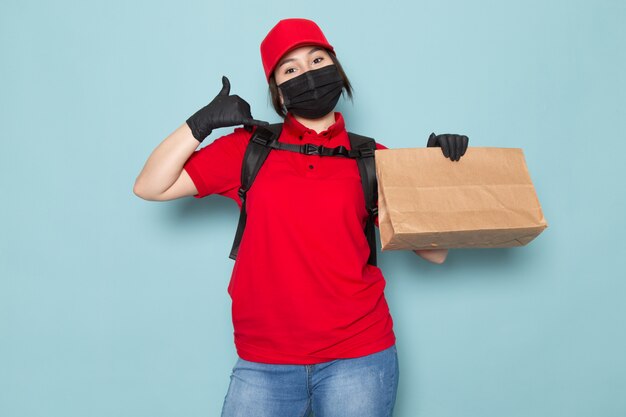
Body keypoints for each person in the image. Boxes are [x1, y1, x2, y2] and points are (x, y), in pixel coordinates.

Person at [133, 17, 468, 417]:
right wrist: (199, 123)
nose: (307, 75)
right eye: (290, 69)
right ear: (277, 90)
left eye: (317, 60)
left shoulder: (373, 157)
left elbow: (436, 253)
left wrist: (433, 176)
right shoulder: (248, 149)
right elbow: (150, 186)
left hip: (359, 357)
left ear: (336, 70)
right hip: (263, 362)